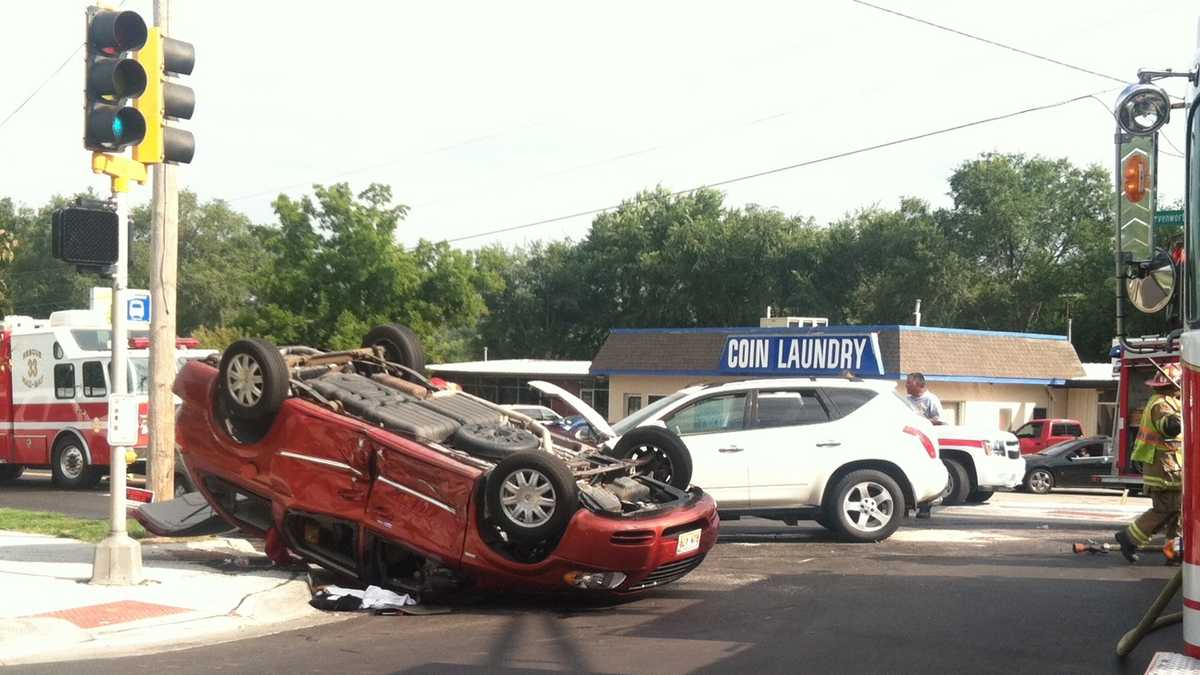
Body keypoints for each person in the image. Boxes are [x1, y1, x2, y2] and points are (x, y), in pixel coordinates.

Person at [1114, 362, 1183, 564]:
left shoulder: (1173, 401)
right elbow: (1170, 427)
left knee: (1178, 512)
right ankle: (1128, 538)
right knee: (1165, 510)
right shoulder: (1161, 404)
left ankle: (1173, 552)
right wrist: (1185, 414)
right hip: (1163, 470)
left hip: (1173, 468)